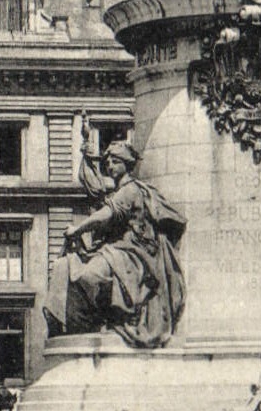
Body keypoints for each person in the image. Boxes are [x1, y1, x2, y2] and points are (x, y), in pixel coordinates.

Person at [43, 142, 186, 348]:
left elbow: (106, 214)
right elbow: (96, 191)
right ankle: (87, 322)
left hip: (133, 252)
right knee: (64, 266)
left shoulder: (130, 190)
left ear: (127, 165)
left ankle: (114, 316)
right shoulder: (117, 191)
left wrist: (78, 229)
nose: (110, 166)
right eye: (108, 162)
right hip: (115, 249)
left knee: (88, 275)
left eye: (115, 161)